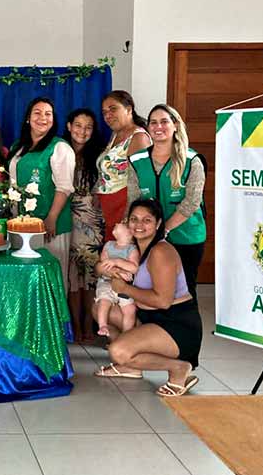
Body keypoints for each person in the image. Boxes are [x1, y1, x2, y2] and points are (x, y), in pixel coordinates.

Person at [93, 199, 203, 397]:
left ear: (158, 224)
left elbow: (163, 301)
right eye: (134, 219)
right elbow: (99, 267)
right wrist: (109, 271)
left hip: (175, 324)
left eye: (147, 220)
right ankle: (132, 367)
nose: (139, 225)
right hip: (149, 317)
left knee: (118, 351)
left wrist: (125, 288)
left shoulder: (161, 251)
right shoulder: (133, 247)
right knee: (100, 308)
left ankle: (178, 368)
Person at [127, 104, 206, 296]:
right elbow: (133, 201)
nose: (158, 127)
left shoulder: (192, 160)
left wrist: (164, 229)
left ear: (176, 125)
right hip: (147, 236)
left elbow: (191, 203)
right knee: (150, 287)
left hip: (186, 236)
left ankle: (186, 326)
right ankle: (156, 326)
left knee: (184, 290)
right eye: (153, 122)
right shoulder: (137, 160)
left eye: (164, 121)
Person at [7, 97, 76, 289]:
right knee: (25, 279)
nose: (42, 118)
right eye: (37, 113)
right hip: (23, 225)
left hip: (51, 226)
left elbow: (64, 187)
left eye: (48, 114)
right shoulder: (17, 147)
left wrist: (51, 218)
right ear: (28, 118)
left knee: (51, 278)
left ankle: (54, 319)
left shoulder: (60, 147)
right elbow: (12, 185)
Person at [62, 108, 106, 343]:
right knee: (71, 277)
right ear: (69, 126)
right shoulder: (59, 150)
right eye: (78, 125)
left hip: (92, 223)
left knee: (90, 276)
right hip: (66, 220)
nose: (82, 131)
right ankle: (75, 325)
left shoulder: (99, 156)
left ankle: (90, 323)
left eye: (88, 127)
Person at [95, 90, 150, 241]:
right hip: (109, 206)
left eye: (113, 109)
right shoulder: (115, 136)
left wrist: (128, 217)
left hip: (125, 206)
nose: (108, 115)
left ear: (129, 109)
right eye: (104, 112)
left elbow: (139, 183)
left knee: (124, 256)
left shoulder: (139, 137)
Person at [94, 223, 140, 337]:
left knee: (129, 309)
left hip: (124, 285)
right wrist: (117, 271)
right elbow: (103, 263)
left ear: (129, 233)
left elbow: (134, 268)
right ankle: (103, 325)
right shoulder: (109, 245)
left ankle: (126, 335)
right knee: (104, 301)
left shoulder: (132, 249)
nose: (117, 223)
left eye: (123, 224)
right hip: (106, 282)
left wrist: (117, 261)